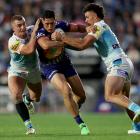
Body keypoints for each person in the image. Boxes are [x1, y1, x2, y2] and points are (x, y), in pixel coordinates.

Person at [51, 3, 140, 135]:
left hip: (118, 64)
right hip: (125, 63)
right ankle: (137, 127)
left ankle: (138, 109)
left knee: (110, 95)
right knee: (124, 99)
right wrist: (62, 43)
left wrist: (63, 38)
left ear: (96, 16)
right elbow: (81, 46)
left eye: (87, 17)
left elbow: (82, 44)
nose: (86, 20)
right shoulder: (101, 27)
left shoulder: (98, 26)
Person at [36, 10, 90, 135]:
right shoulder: (40, 31)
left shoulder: (60, 25)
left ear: (55, 20)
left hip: (65, 63)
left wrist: (91, 29)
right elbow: (45, 45)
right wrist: (63, 41)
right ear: (43, 21)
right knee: (66, 90)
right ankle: (81, 124)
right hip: (50, 67)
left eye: (52, 23)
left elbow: (77, 27)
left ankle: (74, 106)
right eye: (47, 23)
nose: (49, 26)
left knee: (82, 97)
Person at [8, 15, 42, 135]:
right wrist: (34, 33)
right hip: (17, 72)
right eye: (19, 25)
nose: (23, 27)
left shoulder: (31, 29)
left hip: (33, 70)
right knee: (16, 96)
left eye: (23, 24)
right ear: (13, 29)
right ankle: (29, 126)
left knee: (36, 98)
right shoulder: (12, 42)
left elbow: (49, 26)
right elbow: (29, 50)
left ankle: (27, 99)